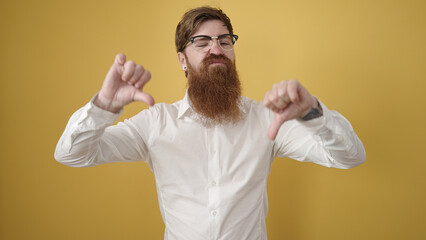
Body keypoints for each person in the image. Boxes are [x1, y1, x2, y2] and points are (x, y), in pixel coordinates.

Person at [55, 6, 366, 240]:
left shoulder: (267, 120)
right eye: (201, 42)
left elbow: (350, 157)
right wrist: (103, 108)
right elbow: (72, 154)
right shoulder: (155, 123)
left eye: (224, 41)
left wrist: (312, 112)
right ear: (182, 59)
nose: (216, 49)